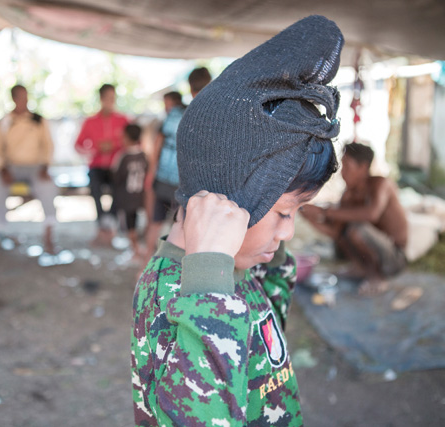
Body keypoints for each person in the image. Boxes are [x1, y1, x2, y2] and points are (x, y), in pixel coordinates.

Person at [131, 15, 344, 426]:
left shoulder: (242, 261)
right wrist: (208, 281)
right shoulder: (168, 292)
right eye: (283, 211)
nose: (289, 231)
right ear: (230, 200)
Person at [301, 142, 408, 295]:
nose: (343, 173)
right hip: (375, 254)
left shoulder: (381, 184)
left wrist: (325, 212)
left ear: (363, 168)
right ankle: (360, 268)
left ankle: (376, 277)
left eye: (347, 167)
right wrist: (309, 216)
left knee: (356, 230)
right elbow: (336, 232)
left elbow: (372, 213)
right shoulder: (348, 194)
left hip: (394, 258)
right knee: (346, 231)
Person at [0, 84, 58, 253]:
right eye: (21, 97)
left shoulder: (38, 120)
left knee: (48, 187)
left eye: (26, 97)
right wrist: (2, 169)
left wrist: (46, 166)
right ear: (14, 99)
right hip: (10, 167)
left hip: (36, 167)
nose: (24, 101)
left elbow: (48, 145)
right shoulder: (4, 121)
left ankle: (48, 237)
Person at [75, 84, 129, 245]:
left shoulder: (123, 120)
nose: (110, 102)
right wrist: (95, 148)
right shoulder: (90, 121)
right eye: (107, 98)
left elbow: (132, 142)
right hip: (97, 166)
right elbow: (78, 145)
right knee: (95, 189)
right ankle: (101, 226)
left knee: (119, 190)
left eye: (113, 98)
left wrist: (115, 146)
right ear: (101, 99)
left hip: (116, 166)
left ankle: (110, 226)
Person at [144, 91, 186, 259]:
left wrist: (151, 172)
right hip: (180, 181)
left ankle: (144, 266)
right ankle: (172, 267)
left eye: (166, 103)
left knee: (155, 222)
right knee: (180, 225)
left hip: (163, 179)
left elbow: (157, 145)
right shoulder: (191, 114)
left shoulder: (169, 118)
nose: (165, 107)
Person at [111, 124, 148, 258]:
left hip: (126, 197)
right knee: (136, 220)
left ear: (126, 137)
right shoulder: (144, 156)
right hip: (140, 196)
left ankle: (135, 250)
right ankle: (137, 248)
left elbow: (116, 177)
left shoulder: (123, 156)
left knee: (129, 223)